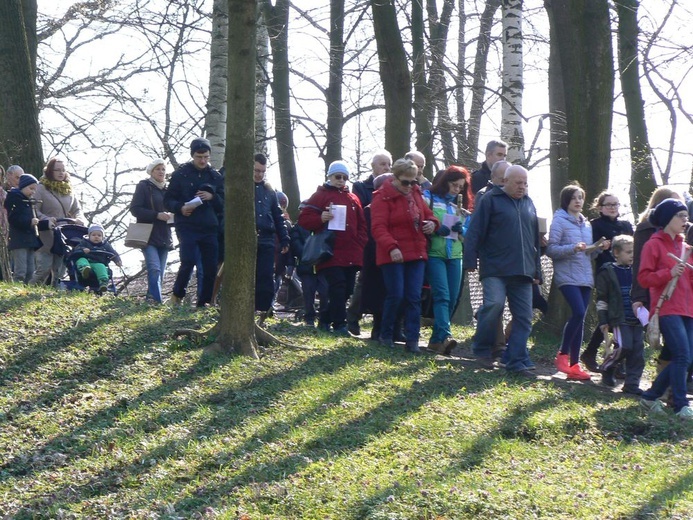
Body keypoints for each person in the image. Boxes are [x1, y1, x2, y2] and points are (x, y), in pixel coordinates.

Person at [463, 165, 542, 375]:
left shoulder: (529, 203)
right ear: (505, 181)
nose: (522, 187)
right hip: (495, 268)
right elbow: (475, 231)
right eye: (518, 182)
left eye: (525, 183)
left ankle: (515, 359)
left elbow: (533, 240)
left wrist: (538, 272)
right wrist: (470, 259)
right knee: (494, 305)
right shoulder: (490, 200)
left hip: (523, 271)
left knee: (524, 317)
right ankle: (481, 349)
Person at [370, 158, 438, 353]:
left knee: (414, 297)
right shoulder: (382, 197)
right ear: (395, 178)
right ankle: (386, 333)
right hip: (393, 254)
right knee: (396, 294)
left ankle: (413, 340)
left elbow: (429, 214)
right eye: (405, 182)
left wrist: (433, 223)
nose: (410, 186)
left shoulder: (416, 194)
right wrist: (392, 247)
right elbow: (378, 227)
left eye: (413, 181)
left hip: (416, 253)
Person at [547, 183, 610, 381]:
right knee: (579, 312)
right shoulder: (559, 221)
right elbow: (551, 249)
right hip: (567, 275)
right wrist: (572, 248)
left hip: (584, 277)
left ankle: (574, 365)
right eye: (574, 198)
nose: (578, 201)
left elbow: (588, 254)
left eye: (580, 198)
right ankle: (563, 354)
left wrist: (599, 248)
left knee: (580, 318)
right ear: (566, 200)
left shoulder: (587, 224)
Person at [637, 198, 693, 420]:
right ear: (667, 218)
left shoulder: (685, 247)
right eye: (680, 216)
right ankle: (680, 405)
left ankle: (650, 397)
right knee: (681, 354)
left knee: (687, 357)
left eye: (686, 216)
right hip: (667, 307)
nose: (685, 220)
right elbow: (643, 278)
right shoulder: (653, 244)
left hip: (688, 309)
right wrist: (667, 274)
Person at [298, 160, 367, 335]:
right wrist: (321, 218)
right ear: (329, 176)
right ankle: (340, 324)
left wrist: (360, 243)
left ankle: (325, 318)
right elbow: (304, 220)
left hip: (352, 252)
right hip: (330, 252)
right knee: (338, 286)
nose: (341, 180)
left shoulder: (353, 198)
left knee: (348, 289)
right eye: (338, 176)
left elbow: (362, 225)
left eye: (345, 177)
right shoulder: (320, 196)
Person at [164, 137, 224, 307]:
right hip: (187, 225)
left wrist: (212, 197)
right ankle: (177, 295)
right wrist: (181, 207)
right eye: (199, 157)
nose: (203, 160)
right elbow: (167, 200)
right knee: (188, 260)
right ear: (192, 156)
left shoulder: (215, 176)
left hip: (209, 226)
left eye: (206, 157)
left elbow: (223, 204)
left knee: (210, 267)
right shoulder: (180, 174)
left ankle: (204, 302)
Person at [580, 191, 634, 371]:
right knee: (612, 314)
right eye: (608, 204)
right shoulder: (595, 225)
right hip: (607, 275)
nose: (612, 207)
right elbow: (590, 248)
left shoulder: (625, 225)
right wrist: (601, 245)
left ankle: (601, 354)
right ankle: (607, 357)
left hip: (626, 274)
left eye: (615, 204)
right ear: (600, 207)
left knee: (618, 316)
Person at [422, 165, 473, 355]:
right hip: (435, 254)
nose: (457, 190)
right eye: (454, 185)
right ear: (445, 182)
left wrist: (462, 230)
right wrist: (436, 228)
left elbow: (469, 236)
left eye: (460, 187)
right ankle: (445, 335)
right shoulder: (429, 198)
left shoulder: (462, 208)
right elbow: (421, 222)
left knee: (452, 298)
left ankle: (436, 341)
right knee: (442, 295)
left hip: (455, 255)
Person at [347, 150, 392, 335]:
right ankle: (352, 317)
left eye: (389, 164)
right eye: (382, 164)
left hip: (384, 241)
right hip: (368, 239)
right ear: (373, 166)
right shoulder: (360, 187)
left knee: (382, 283)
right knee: (364, 281)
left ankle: (378, 324)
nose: (386, 167)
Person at [595, 235, 644, 392]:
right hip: (619, 318)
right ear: (616, 252)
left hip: (636, 319)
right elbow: (602, 298)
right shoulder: (607, 271)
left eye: (634, 252)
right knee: (624, 346)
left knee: (638, 352)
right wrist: (603, 320)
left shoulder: (637, 271)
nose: (632, 255)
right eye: (629, 252)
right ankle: (608, 367)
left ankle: (632, 384)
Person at [31, 157, 85, 287]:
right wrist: (46, 218)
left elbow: (77, 209)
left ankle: (54, 293)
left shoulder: (69, 189)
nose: (61, 173)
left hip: (63, 234)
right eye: (57, 170)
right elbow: (33, 209)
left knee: (59, 270)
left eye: (63, 170)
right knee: (43, 268)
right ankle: (28, 290)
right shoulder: (41, 188)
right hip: (46, 233)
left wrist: (80, 219)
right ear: (50, 171)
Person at [129, 159, 174, 303]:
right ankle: (158, 301)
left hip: (164, 235)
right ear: (151, 171)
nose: (161, 172)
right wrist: (156, 215)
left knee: (160, 270)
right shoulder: (144, 186)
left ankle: (151, 299)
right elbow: (135, 209)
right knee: (154, 268)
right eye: (158, 169)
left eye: (163, 169)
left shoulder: (168, 190)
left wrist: (173, 216)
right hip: (147, 235)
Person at [253, 153, 290, 314]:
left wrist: (284, 239)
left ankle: (263, 309)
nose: (259, 174)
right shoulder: (241, 188)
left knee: (266, 276)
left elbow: (277, 216)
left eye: (262, 171)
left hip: (267, 238)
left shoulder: (270, 191)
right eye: (256, 170)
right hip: (248, 238)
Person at [290, 203, 329, 328]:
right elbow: (296, 245)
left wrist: (320, 256)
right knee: (308, 293)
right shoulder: (297, 227)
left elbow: (328, 242)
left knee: (325, 292)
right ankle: (309, 318)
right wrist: (309, 255)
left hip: (322, 266)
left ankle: (324, 319)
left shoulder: (324, 226)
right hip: (306, 266)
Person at [3, 174, 43, 283]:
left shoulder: (29, 203)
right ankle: (17, 289)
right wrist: (29, 222)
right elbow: (14, 219)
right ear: (23, 186)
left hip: (29, 240)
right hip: (19, 240)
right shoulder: (15, 199)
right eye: (31, 189)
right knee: (21, 269)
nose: (33, 192)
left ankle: (27, 290)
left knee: (31, 269)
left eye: (34, 189)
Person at [70, 223, 122, 294]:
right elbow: (76, 249)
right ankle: (84, 270)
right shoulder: (84, 242)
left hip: (98, 263)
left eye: (99, 235)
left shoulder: (106, 245)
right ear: (89, 236)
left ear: (102, 237)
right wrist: (83, 249)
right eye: (93, 235)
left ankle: (103, 282)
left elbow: (113, 253)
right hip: (86, 261)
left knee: (101, 267)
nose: (96, 237)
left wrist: (117, 260)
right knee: (81, 260)